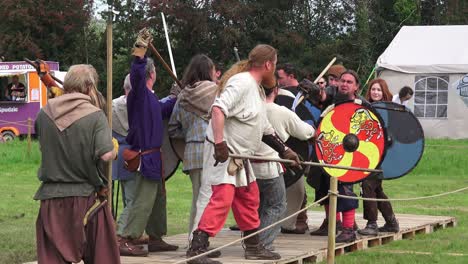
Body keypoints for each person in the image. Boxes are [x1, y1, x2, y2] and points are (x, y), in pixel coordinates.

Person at [186, 44, 301, 264]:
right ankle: (196, 249)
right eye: (274, 64)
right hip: (224, 153)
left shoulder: (255, 88)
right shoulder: (242, 82)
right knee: (221, 198)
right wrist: (220, 144)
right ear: (268, 64)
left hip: (240, 156)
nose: (275, 69)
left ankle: (253, 247)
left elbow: (263, 127)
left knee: (249, 197)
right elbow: (218, 109)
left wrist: (284, 150)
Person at [34, 64, 120, 264]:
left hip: (51, 200)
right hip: (87, 200)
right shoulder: (95, 115)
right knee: (103, 258)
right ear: (90, 86)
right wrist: (114, 148)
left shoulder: (44, 113)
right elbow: (106, 155)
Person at [117, 28, 178, 257]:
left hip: (154, 156)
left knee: (156, 198)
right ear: (152, 74)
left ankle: (155, 238)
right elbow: (136, 71)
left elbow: (162, 109)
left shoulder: (151, 99)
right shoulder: (139, 94)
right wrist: (140, 48)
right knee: (143, 200)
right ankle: (124, 238)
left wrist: (175, 97)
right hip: (144, 155)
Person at [254, 81, 315, 250]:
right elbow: (306, 132)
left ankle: (252, 243)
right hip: (269, 167)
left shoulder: (249, 109)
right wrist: (312, 128)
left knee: (257, 206)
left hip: (247, 168)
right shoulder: (282, 112)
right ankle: (262, 246)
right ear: (276, 90)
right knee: (277, 205)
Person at [168, 54, 218, 234]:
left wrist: (190, 133)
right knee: (208, 198)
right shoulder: (216, 91)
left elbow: (173, 129)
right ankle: (197, 241)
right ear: (208, 71)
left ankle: (195, 237)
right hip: (211, 148)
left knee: (199, 197)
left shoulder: (182, 95)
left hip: (191, 150)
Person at [310, 70, 362, 243]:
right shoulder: (331, 107)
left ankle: (348, 229)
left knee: (345, 190)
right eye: (342, 81)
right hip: (329, 153)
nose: (345, 84)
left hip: (350, 155)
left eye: (349, 82)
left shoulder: (362, 107)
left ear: (356, 87)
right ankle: (333, 222)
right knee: (324, 187)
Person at [358, 78, 399, 236]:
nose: (375, 92)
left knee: (367, 186)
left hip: (380, 156)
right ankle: (391, 222)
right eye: (373, 89)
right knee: (377, 189)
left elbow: (390, 135)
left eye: (379, 90)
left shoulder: (388, 111)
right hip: (366, 154)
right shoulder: (366, 110)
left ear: (384, 92)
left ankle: (372, 224)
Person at [112, 74, 148, 245]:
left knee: (128, 197)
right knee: (133, 199)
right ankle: (120, 233)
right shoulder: (140, 107)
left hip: (117, 154)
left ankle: (132, 232)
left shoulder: (111, 106)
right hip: (132, 155)